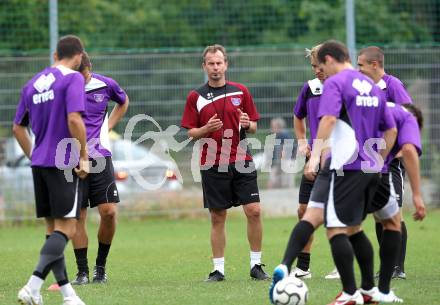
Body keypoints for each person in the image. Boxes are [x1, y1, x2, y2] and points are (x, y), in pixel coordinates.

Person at [181, 44, 269, 282]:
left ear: (226, 64)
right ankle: (218, 269)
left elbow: (253, 126)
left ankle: (256, 265)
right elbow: (190, 133)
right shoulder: (195, 96)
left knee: (254, 210)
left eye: (219, 63)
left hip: (241, 159)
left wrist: (246, 123)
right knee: (218, 216)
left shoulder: (241, 91)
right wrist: (205, 129)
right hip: (212, 162)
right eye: (211, 63)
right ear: (204, 66)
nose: (216, 67)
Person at [13, 35, 88, 305]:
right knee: (68, 227)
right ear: (79, 56)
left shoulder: (31, 84)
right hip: (64, 161)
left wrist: (34, 154)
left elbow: (17, 127)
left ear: (56, 54)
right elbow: (73, 118)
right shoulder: (73, 78)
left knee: (53, 230)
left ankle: (68, 295)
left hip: (40, 162)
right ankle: (32, 287)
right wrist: (83, 155)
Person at [69, 52, 129, 285]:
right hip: (71, 159)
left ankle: (100, 269)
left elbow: (123, 102)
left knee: (109, 212)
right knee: (78, 216)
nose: (79, 80)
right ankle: (82, 272)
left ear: (89, 68)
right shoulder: (65, 88)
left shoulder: (105, 84)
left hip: (100, 157)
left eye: (82, 75)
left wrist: (108, 126)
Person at [360, 102, 426, 303]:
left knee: (393, 216)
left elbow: (407, 145)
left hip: (390, 169)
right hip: (371, 166)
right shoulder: (370, 96)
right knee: (378, 219)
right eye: (359, 66)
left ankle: (397, 268)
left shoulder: (394, 90)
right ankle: (380, 275)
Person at [358, 46, 413, 279]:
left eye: (360, 64)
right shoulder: (365, 89)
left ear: (374, 64)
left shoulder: (392, 85)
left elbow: (409, 115)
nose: (357, 69)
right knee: (379, 213)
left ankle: (397, 267)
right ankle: (387, 265)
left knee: (393, 213)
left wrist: (403, 146)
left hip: (391, 161)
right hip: (372, 160)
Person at [279, 44, 324, 279]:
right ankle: (303, 268)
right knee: (303, 210)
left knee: (339, 214)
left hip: (341, 159)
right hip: (314, 158)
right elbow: (298, 116)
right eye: (313, 66)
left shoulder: (348, 88)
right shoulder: (311, 88)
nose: (316, 70)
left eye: (319, 65)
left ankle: (341, 265)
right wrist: (302, 142)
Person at [268, 117, 294, 189]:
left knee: (285, 183)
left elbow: (285, 150)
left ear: (278, 126)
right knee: (277, 182)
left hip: (284, 162)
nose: (271, 128)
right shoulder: (277, 135)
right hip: (279, 162)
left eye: (273, 126)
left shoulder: (283, 134)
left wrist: (279, 164)